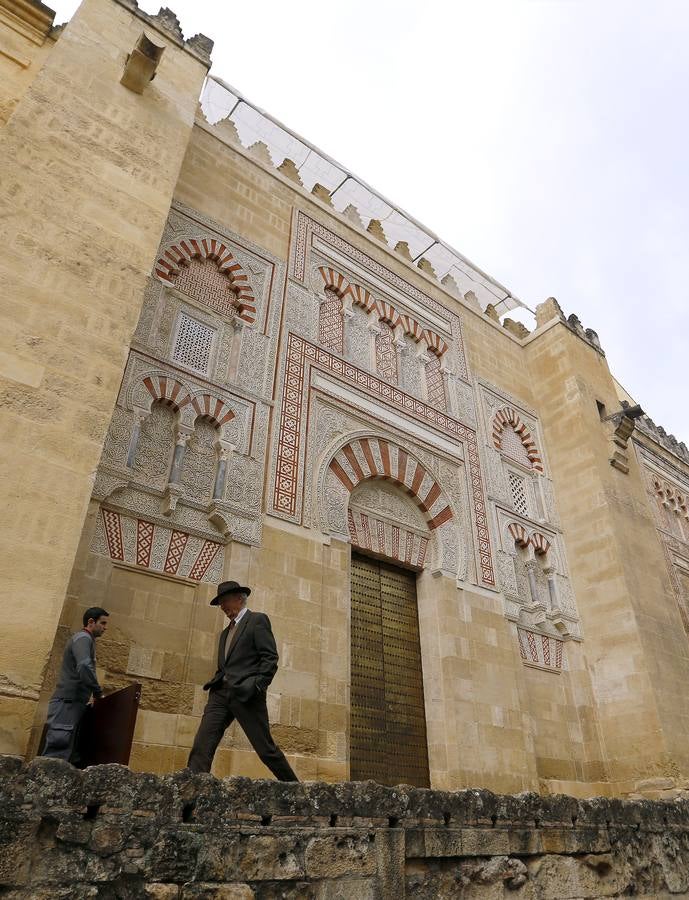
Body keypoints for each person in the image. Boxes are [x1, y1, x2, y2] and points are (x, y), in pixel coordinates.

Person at [187, 580, 298, 780]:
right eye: (220, 603)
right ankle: (191, 799)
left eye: (224, 601)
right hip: (220, 695)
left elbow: (270, 658)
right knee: (202, 745)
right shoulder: (224, 634)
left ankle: (297, 795)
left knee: (266, 749)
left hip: (247, 695)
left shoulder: (257, 621)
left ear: (239, 599)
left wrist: (255, 686)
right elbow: (226, 665)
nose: (222, 607)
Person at [41, 607, 108, 762]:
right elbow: (84, 666)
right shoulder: (83, 638)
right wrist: (98, 693)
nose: (105, 627)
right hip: (67, 702)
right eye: (103, 623)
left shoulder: (87, 640)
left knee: (65, 754)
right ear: (91, 622)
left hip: (73, 703)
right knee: (57, 752)